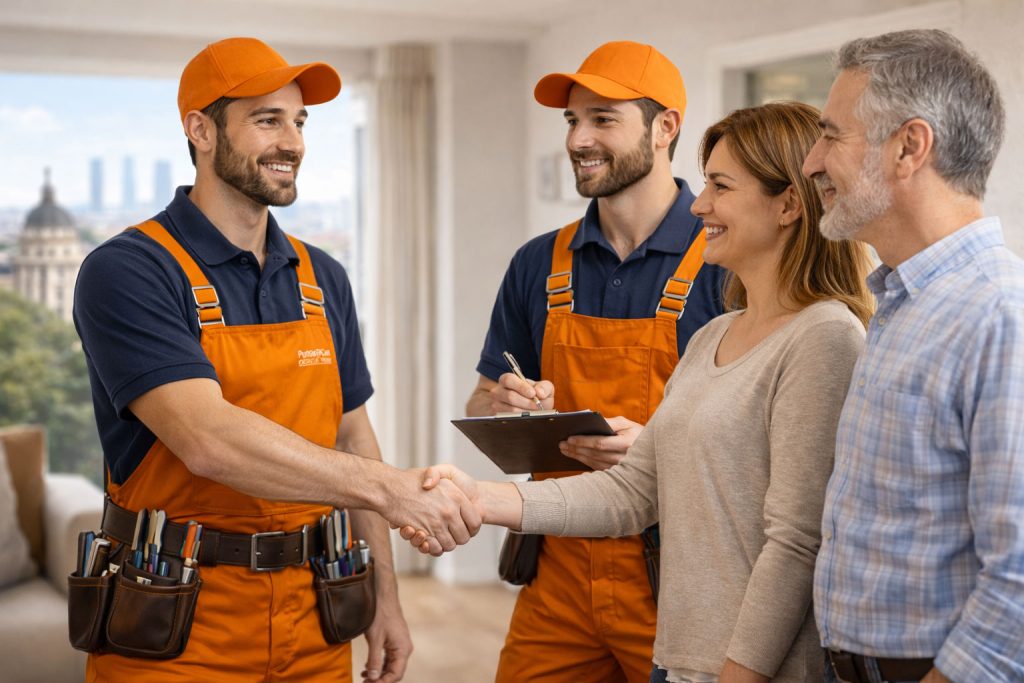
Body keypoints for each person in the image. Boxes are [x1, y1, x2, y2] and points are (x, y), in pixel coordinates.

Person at [410, 101, 874, 682]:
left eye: (721, 186)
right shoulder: (713, 337)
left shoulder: (825, 337)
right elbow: (633, 491)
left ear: (788, 205)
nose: (699, 204)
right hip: (677, 659)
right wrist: (476, 498)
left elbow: (796, 545)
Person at [72, 37, 480, 682]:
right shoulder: (130, 270)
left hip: (315, 610)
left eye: (299, 122)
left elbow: (352, 435)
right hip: (172, 618)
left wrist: (384, 598)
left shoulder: (323, 277)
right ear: (201, 131)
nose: (292, 142)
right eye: (268, 120)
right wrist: (391, 490)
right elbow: (207, 440)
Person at [465, 40, 725, 683]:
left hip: (678, 578)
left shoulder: (725, 258)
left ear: (665, 127)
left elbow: (761, 436)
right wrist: (504, 407)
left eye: (603, 119)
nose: (578, 139)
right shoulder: (538, 263)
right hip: (555, 570)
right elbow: (481, 401)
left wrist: (660, 450)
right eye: (572, 120)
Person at [802, 29, 1024, 683]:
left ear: (909, 147)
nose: (811, 163)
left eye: (830, 136)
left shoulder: (998, 315)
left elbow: (1018, 578)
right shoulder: (902, 302)